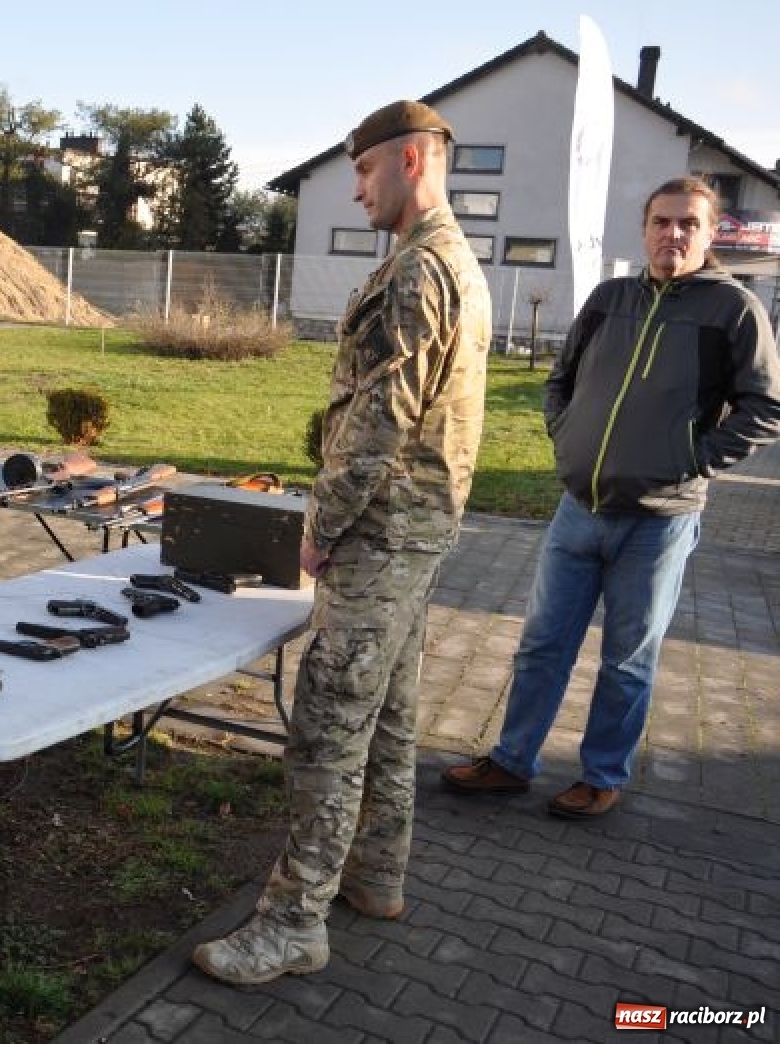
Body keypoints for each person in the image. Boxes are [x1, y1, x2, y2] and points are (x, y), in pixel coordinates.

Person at [192, 100, 492, 986]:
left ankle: (293, 924)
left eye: (362, 170)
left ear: (410, 159)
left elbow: (380, 417)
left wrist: (319, 526)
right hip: (421, 530)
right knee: (391, 720)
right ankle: (377, 877)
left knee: (326, 730)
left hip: (381, 533)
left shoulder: (416, 272)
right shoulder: (456, 263)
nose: (355, 188)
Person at [442, 177, 780, 818]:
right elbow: (559, 381)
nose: (672, 234)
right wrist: (567, 438)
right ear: (645, 227)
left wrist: (692, 460)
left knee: (627, 660)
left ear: (710, 235)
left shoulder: (733, 311)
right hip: (578, 509)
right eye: (661, 221)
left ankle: (601, 774)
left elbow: (766, 408)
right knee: (542, 644)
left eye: (687, 224)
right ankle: (511, 761)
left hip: (660, 520)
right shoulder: (610, 297)